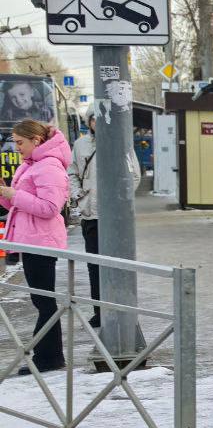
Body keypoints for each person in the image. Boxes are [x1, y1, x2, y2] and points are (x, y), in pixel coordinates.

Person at [0, 119, 71, 375]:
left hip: (41, 242)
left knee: (44, 301)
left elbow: (50, 208)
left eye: (20, 142)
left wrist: (14, 195)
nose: (16, 147)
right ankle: (48, 356)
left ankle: (48, 359)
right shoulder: (31, 166)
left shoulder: (49, 167)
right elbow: (17, 207)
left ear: (36, 141)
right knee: (42, 300)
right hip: (31, 241)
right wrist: (5, 193)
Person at [68, 111, 142, 328]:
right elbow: (72, 172)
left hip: (115, 218)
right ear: (89, 122)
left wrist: (118, 202)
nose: (97, 123)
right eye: (93, 119)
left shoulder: (122, 142)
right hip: (90, 215)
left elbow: (134, 175)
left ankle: (120, 310)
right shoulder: (80, 145)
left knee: (117, 266)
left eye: (101, 119)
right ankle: (99, 311)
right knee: (94, 266)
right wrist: (78, 195)